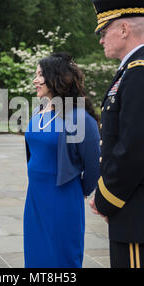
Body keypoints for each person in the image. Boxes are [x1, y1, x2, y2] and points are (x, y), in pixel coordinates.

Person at [88, 0, 144, 268]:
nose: (101, 40)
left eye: (104, 32)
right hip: (135, 206)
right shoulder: (133, 70)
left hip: (138, 208)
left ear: (124, 30)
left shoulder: (142, 73)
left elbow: (133, 148)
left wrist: (106, 197)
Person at [24, 52, 100, 268]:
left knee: (61, 258)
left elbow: (94, 166)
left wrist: (78, 191)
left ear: (55, 78)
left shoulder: (80, 117)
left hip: (63, 197)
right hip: (35, 198)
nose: (35, 80)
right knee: (35, 256)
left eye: (40, 75)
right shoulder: (39, 112)